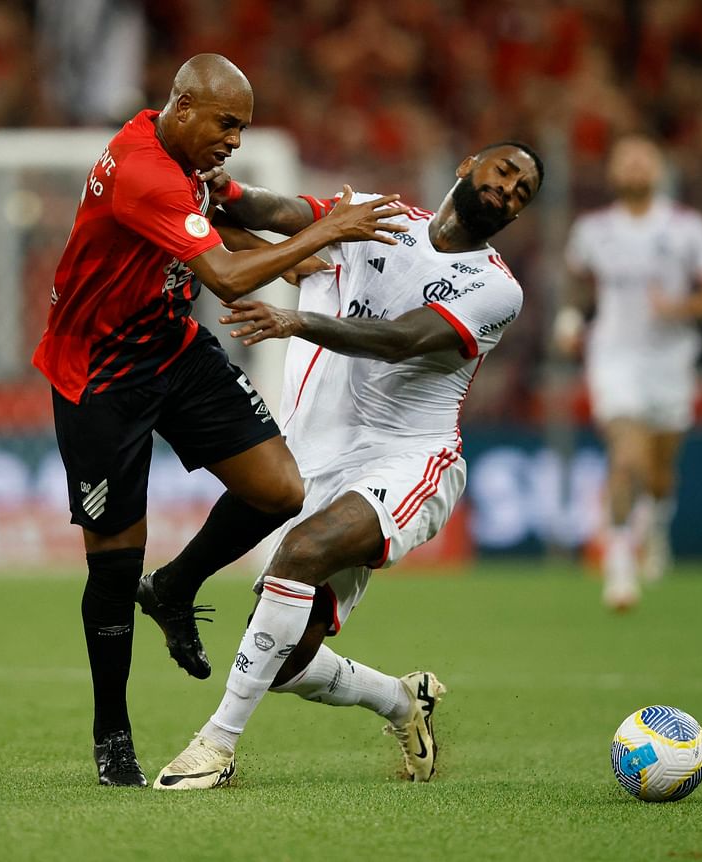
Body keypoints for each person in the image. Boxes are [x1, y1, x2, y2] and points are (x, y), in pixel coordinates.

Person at [30, 53, 408, 788]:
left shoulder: (183, 155)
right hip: (99, 374)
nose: (234, 139)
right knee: (112, 564)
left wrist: (281, 247)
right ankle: (112, 733)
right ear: (183, 105)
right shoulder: (142, 169)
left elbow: (218, 219)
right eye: (227, 124)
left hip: (171, 345)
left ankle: (174, 589)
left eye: (242, 128)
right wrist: (322, 237)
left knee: (280, 490)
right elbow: (226, 277)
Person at [152, 141, 544, 789]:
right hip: (319, 463)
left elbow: (401, 340)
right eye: (504, 172)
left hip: (412, 460)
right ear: (466, 164)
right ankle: (400, 700)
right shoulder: (371, 217)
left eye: (522, 192)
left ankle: (215, 748)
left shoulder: (496, 287)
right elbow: (274, 211)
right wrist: (218, 192)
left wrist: (294, 321)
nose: (508, 190)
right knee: (280, 659)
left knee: (301, 553)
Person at [553, 135, 702, 611]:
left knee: (658, 472)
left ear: (659, 171)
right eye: (626, 161)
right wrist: (571, 320)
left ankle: (655, 527)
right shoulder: (593, 229)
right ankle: (619, 566)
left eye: (644, 160)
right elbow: (577, 283)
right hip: (614, 356)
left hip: (671, 360)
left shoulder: (687, 228)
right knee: (626, 457)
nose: (635, 168)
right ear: (613, 173)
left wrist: (679, 306)